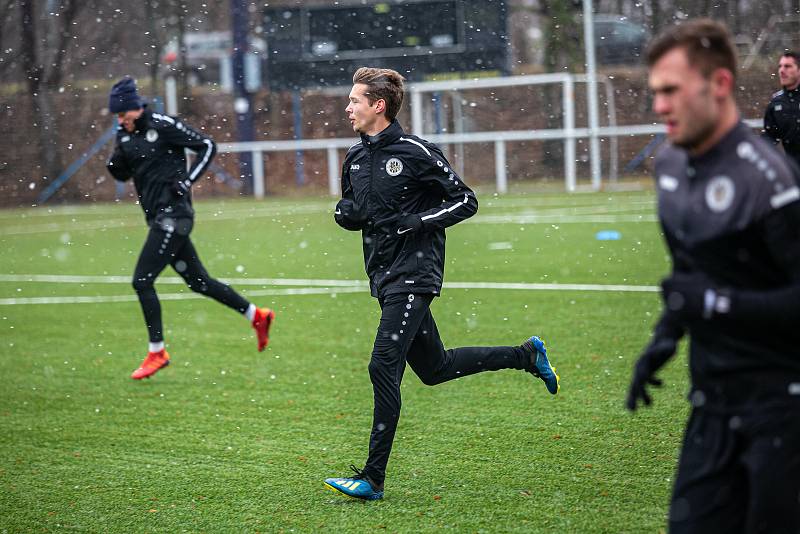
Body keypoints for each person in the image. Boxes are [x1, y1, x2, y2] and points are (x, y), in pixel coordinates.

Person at [324, 67, 560, 501]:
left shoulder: (415, 151)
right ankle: (525, 355)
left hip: (415, 273)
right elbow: (354, 208)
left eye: (355, 100)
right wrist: (346, 214)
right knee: (435, 369)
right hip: (383, 274)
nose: (348, 107)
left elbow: (465, 200)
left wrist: (416, 221)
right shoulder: (355, 158)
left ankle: (372, 479)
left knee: (382, 364)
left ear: (378, 106)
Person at [626, 20, 800, 533]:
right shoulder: (672, 167)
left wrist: (718, 306)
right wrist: (661, 342)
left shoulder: (770, 181)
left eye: (672, 91)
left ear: (719, 85)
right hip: (711, 401)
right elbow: (692, 274)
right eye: (656, 92)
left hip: (782, 409)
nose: (660, 106)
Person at [105, 77, 275, 380]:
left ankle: (157, 352)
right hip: (158, 217)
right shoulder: (125, 135)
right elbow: (123, 172)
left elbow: (207, 145)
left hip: (174, 216)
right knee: (199, 282)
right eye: (117, 117)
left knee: (142, 281)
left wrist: (188, 180)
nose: (121, 121)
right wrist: (116, 162)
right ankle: (256, 315)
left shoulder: (163, 124)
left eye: (123, 115)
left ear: (135, 107)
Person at [763, 51, 800, 169]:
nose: (782, 70)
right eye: (780, 66)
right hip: (794, 174)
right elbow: (769, 138)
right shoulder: (777, 103)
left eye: (788, 66)